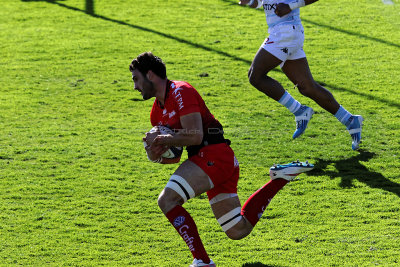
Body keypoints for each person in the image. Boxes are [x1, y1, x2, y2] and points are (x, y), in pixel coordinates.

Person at [130, 52, 314, 267]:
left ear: (150, 75)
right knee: (238, 229)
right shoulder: (156, 113)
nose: (135, 86)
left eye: (136, 79)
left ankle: (202, 260)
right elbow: (175, 156)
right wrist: (155, 154)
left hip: (214, 156)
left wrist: (163, 138)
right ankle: (280, 178)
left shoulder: (181, 91)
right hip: (209, 161)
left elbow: (196, 135)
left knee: (167, 200)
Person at [238, 0, 363, 150]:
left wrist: (290, 7)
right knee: (307, 87)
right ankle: (350, 119)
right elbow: (263, 3)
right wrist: (250, 2)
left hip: (285, 33)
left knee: (255, 76)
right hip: (285, 32)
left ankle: (299, 110)